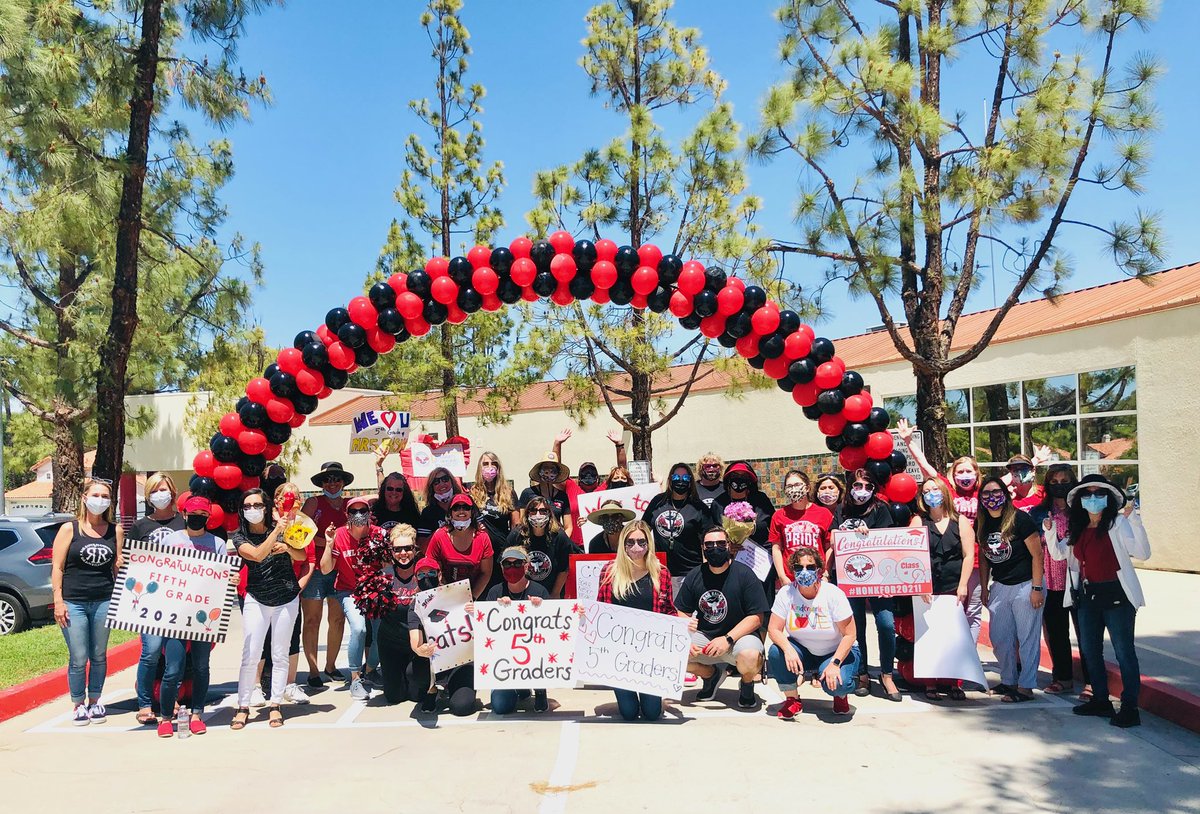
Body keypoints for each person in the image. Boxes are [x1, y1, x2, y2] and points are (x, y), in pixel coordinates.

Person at [1045, 474, 1150, 727]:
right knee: (1091, 651)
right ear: (1079, 500)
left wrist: (1133, 518)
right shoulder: (1078, 528)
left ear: (1108, 498)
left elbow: (1143, 553)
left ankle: (1129, 707)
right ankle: (1101, 700)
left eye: (1098, 494)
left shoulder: (1117, 524)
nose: (1093, 499)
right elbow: (1060, 555)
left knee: (1124, 652)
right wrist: (1049, 533)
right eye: (1087, 495)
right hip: (1088, 596)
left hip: (1117, 596)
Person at [897, 420, 986, 643]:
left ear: (976, 474)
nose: (964, 475)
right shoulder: (946, 488)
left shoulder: (983, 493)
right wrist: (908, 441)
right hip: (943, 565)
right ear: (952, 476)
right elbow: (924, 464)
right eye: (960, 471)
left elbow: (1005, 484)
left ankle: (969, 655)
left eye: (969, 471)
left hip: (974, 561)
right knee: (945, 612)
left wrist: (1033, 462)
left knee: (972, 610)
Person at [231, 489, 306, 730]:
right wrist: (277, 531)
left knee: (280, 653)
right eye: (247, 506)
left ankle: (275, 704)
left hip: (286, 597)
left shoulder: (286, 527)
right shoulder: (240, 536)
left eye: (256, 505)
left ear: (265, 507)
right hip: (256, 597)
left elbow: (302, 554)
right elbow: (257, 554)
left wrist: (288, 549)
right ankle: (243, 706)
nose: (252, 510)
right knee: (250, 652)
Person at [51, 478, 123, 726]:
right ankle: (78, 704)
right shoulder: (70, 529)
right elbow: (57, 567)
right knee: (79, 656)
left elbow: (118, 568)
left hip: (104, 599)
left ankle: (95, 701)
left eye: (105, 496)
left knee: (100, 654)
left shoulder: (116, 530)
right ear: (84, 497)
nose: (100, 500)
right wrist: (58, 600)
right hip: (74, 602)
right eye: (96, 495)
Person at [674, 526, 768, 709]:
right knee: (675, 650)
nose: (714, 548)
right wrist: (685, 631)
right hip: (706, 637)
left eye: (720, 543)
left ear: (728, 546)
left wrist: (727, 639)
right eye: (709, 545)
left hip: (739, 638)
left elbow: (757, 617)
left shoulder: (745, 574)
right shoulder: (695, 575)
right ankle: (710, 675)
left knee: (750, 657)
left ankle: (747, 683)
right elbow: (681, 611)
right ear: (702, 548)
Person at [155, 497, 226, 737]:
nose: (198, 517)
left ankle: (197, 714)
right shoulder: (170, 540)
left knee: (201, 667)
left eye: (202, 514)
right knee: (173, 668)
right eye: (193, 513)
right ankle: (165, 717)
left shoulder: (217, 543)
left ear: (208, 517)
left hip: (203, 616)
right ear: (184, 514)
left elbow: (222, 577)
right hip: (175, 614)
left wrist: (230, 579)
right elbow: (158, 571)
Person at [596, 521, 675, 721]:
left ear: (649, 543)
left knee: (652, 714)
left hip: (650, 654)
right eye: (630, 542)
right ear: (623, 545)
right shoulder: (609, 572)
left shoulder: (661, 573)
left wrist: (684, 627)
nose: (636, 548)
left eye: (641, 541)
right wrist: (583, 614)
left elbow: (669, 611)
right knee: (629, 713)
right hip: (619, 653)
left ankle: (654, 700)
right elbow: (600, 609)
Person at [767, 546, 858, 718]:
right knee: (775, 651)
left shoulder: (833, 594)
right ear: (792, 570)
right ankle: (792, 699)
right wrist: (787, 649)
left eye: (810, 567)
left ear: (819, 570)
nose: (804, 571)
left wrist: (835, 664)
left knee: (839, 684)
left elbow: (850, 635)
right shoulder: (786, 593)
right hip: (804, 650)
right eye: (798, 567)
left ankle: (841, 695)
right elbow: (774, 629)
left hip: (835, 651)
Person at [976, 475, 1045, 702]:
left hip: (1025, 585)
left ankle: (1025, 686)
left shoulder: (1020, 519)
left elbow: (1037, 554)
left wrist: (1036, 587)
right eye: (986, 494)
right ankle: (1008, 681)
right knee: (1000, 637)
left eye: (996, 492)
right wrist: (985, 586)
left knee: (1027, 638)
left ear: (1005, 495)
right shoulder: (982, 522)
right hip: (1001, 585)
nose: (991, 498)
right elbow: (984, 557)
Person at [833, 469, 899, 700]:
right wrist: (845, 533)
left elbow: (889, 543)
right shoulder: (842, 509)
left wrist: (869, 535)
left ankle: (887, 674)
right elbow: (833, 539)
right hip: (850, 577)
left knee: (886, 624)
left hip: (879, 579)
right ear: (850, 486)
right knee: (856, 626)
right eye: (858, 485)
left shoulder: (881, 509)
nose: (862, 491)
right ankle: (862, 674)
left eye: (868, 487)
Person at [912, 477, 976, 701]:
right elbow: (912, 555)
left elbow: (969, 555)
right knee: (929, 635)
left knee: (954, 636)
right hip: (927, 588)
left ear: (944, 493)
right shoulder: (918, 521)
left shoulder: (961, 521)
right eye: (927, 490)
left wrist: (963, 585)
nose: (931, 494)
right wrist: (920, 584)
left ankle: (954, 682)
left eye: (935, 489)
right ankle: (931, 682)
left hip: (953, 586)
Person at [1028, 464, 1089, 698]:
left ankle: (1091, 681)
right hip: (1050, 582)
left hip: (1078, 581)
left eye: (1064, 480)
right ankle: (1062, 678)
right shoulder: (1038, 513)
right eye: (1054, 482)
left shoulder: (1082, 512)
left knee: (1086, 633)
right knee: (1056, 633)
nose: (1059, 485)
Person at [130, 472, 184, 724]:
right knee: (150, 652)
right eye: (154, 491)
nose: (159, 495)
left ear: (173, 493)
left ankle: (169, 698)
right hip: (150, 600)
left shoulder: (183, 523)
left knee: (174, 654)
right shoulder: (140, 526)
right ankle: (144, 703)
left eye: (163, 490)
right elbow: (130, 563)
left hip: (178, 599)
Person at [320, 495, 382, 700]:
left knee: (380, 633)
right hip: (348, 591)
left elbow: (390, 563)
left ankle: (370, 669)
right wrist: (329, 544)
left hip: (374, 589)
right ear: (347, 515)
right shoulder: (338, 535)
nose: (358, 515)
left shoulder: (379, 534)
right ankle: (355, 678)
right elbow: (326, 568)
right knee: (359, 627)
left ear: (369, 514)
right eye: (353, 511)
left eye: (362, 511)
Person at [481, 546, 551, 714]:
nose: (512, 568)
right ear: (502, 567)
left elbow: (552, 631)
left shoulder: (539, 591)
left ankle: (540, 689)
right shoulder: (495, 592)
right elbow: (485, 629)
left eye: (517, 563)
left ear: (527, 566)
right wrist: (498, 611)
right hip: (505, 658)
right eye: (507, 564)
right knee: (500, 707)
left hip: (533, 654)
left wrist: (540, 609)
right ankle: (519, 687)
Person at [300, 461, 351, 690]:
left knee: (337, 619)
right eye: (328, 479)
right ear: (321, 483)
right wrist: (329, 543)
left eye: (336, 479)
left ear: (343, 481)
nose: (332, 483)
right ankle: (313, 670)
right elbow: (300, 533)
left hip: (341, 569)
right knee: (312, 620)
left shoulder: (351, 505)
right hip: (316, 570)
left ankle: (330, 666)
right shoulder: (313, 503)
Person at [409, 557, 476, 716]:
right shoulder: (415, 606)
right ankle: (432, 690)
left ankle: (461, 685)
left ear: (439, 575)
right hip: (433, 662)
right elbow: (414, 641)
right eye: (421, 575)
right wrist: (420, 649)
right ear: (415, 579)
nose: (426, 578)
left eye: (431, 573)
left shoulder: (458, 596)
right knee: (414, 671)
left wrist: (476, 612)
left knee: (462, 707)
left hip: (460, 661)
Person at [552, 427, 626, 549]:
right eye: (585, 472)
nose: (588, 475)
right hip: (575, 545)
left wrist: (619, 446)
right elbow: (556, 472)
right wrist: (557, 444)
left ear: (597, 476)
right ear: (579, 476)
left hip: (601, 543)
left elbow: (622, 472)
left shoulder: (604, 489)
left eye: (592, 472)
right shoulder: (571, 487)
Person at [375, 524, 425, 705]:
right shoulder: (382, 577)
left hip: (418, 642)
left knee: (418, 696)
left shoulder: (426, 574)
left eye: (408, 548)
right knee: (394, 697)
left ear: (415, 549)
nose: (403, 553)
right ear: (391, 551)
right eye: (398, 549)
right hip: (391, 642)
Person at [644, 462, 716, 581]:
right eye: (676, 477)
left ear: (690, 481)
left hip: (690, 573)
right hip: (660, 571)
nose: (680, 481)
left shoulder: (699, 507)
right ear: (670, 479)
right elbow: (644, 529)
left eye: (685, 478)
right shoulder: (658, 502)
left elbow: (707, 540)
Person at [768, 470, 833, 586]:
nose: (794, 489)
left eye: (797, 485)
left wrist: (826, 573)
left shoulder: (824, 513)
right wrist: (782, 577)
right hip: (791, 580)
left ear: (807, 487)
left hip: (818, 578)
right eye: (789, 486)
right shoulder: (779, 516)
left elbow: (829, 547)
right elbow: (776, 548)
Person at [426, 493, 494, 598]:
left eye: (466, 507)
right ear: (450, 512)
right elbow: (432, 568)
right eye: (456, 508)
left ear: (472, 511)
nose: (461, 511)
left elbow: (486, 573)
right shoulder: (439, 536)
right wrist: (446, 595)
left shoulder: (483, 537)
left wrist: (472, 598)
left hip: (474, 598)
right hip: (444, 596)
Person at [507, 496, 572, 598]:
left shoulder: (559, 536)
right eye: (533, 510)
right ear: (527, 513)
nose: (538, 515)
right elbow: (506, 564)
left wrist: (555, 593)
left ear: (549, 513)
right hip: (523, 593)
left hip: (550, 592)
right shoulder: (516, 535)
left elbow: (564, 569)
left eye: (543, 511)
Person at [469, 452, 521, 557]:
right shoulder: (473, 492)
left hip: (502, 546)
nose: (489, 467)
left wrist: (511, 548)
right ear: (480, 468)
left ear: (498, 468)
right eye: (485, 464)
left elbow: (516, 524)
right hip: (481, 548)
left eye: (493, 464)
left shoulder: (508, 492)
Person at [520, 453, 574, 539]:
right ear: (539, 471)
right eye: (545, 468)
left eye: (553, 468)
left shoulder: (562, 496)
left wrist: (561, 542)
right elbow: (522, 522)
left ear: (557, 472)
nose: (549, 471)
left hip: (556, 541)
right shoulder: (527, 493)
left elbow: (569, 527)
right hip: (532, 541)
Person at [416, 466, 465, 548]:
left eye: (445, 479)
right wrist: (443, 531)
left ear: (452, 481)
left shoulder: (466, 504)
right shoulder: (428, 513)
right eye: (436, 482)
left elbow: (482, 531)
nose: (441, 484)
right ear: (431, 488)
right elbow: (422, 545)